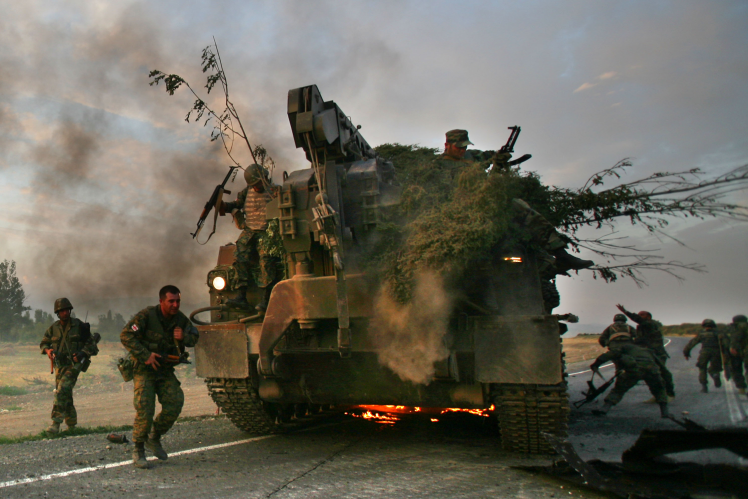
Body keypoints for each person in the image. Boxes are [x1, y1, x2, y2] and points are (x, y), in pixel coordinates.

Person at [120, 285, 199, 469]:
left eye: (178, 301)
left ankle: (154, 437)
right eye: (171, 301)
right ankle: (138, 448)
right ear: (161, 301)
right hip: (144, 369)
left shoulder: (180, 319)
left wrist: (183, 337)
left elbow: (194, 336)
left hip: (164, 370)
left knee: (175, 402)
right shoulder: (147, 315)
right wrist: (145, 355)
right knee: (145, 408)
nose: (175, 304)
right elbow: (126, 335)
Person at [219, 164, 279, 311]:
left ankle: (266, 298)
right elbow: (237, 204)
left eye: (258, 184)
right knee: (240, 255)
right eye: (253, 185)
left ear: (264, 178)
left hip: (268, 230)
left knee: (266, 260)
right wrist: (224, 206)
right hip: (250, 229)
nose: (256, 187)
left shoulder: (275, 191)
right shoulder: (247, 192)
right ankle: (241, 296)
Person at [40, 298, 98, 434]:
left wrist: (82, 353)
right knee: (65, 393)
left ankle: (55, 424)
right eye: (62, 311)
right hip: (60, 365)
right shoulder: (53, 328)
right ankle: (71, 425)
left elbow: (92, 345)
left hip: (75, 364)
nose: (65, 313)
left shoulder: (80, 326)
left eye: (67, 310)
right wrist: (48, 351)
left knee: (62, 390)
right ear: (57, 313)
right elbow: (43, 343)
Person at [589, 339, 670, 418]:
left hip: (634, 370)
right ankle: (665, 412)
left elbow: (611, 354)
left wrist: (596, 364)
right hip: (652, 371)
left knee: (619, 390)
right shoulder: (649, 351)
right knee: (659, 390)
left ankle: (604, 409)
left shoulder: (627, 347)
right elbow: (663, 369)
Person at [616, 304, 675, 400]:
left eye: (642, 315)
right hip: (648, 354)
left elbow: (640, 322)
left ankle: (669, 394)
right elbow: (640, 340)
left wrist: (626, 312)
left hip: (657, 353)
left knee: (662, 374)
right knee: (651, 375)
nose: (639, 316)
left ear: (648, 317)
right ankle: (658, 396)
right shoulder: (643, 327)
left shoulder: (651, 324)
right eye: (639, 314)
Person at [683, 319, 725, 393]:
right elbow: (726, 344)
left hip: (704, 352)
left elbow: (691, 343)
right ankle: (715, 374)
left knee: (702, 368)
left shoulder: (701, 334)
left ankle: (704, 387)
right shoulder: (719, 334)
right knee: (715, 368)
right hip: (716, 352)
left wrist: (686, 353)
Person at [729, 314, 748, 395]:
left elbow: (736, 337)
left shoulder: (737, 327)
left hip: (738, 351)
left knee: (736, 369)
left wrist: (733, 347)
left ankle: (741, 387)